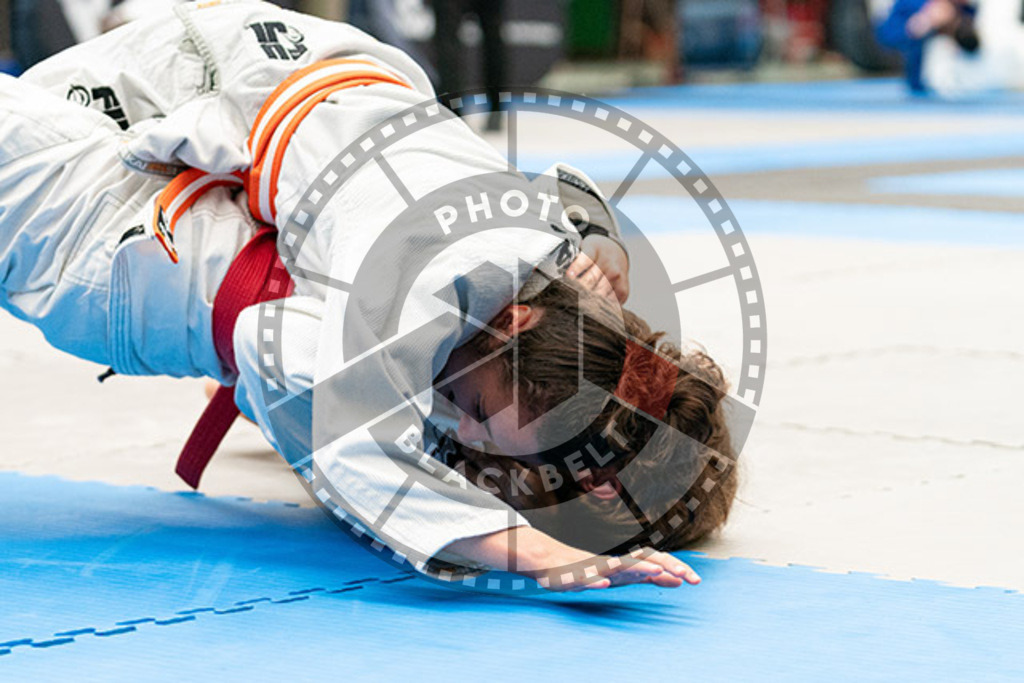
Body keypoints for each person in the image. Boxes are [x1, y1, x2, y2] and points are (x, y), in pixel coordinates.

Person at [6, 0, 737, 590]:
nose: (469, 433)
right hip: (184, 108)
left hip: (298, 67)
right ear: (513, 322)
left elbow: (566, 198)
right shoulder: (426, 275)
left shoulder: (537, 270)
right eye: (479, 411)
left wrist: (593, 244)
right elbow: (319, 392)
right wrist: (530, 552)